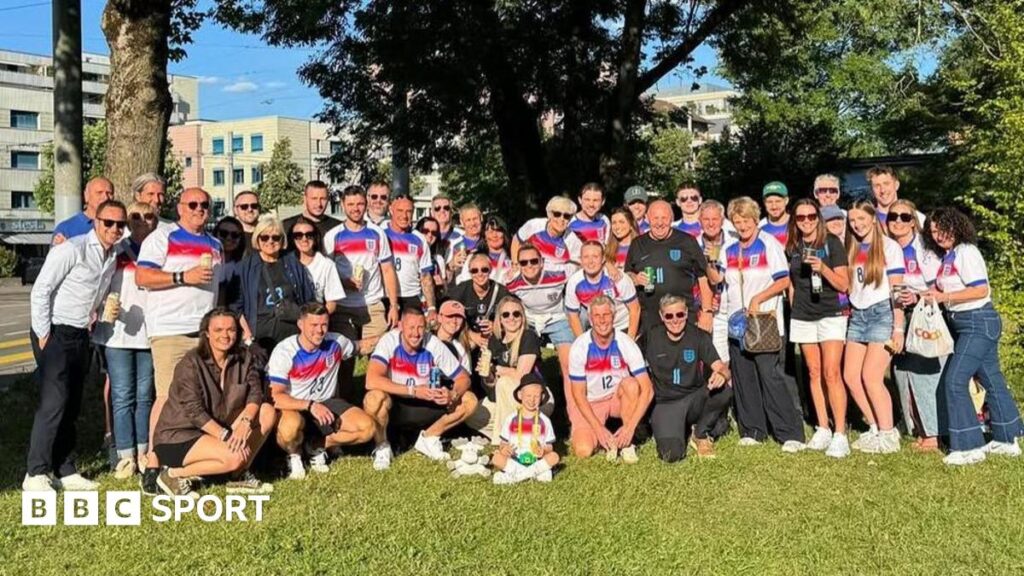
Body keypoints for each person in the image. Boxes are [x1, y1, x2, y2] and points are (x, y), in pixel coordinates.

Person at [23, 200, 125, 492]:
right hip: (56, 331)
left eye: (120, 224)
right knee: (53, 403)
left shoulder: (113, 255)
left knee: (72, 404)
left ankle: (65, 469)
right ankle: (36, 472)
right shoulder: (73, 248)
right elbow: (42, 290)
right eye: (109, 222)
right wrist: (44, 333)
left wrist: (102, 311)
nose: (114, 229)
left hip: (82, 333)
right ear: (95, 221)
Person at [135, 187, 223, 494]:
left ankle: (187, 459)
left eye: (205, 205)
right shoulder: (162, 237)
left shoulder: (215, 244)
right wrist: (182, 277)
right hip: (171, 330)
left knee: (200, 400)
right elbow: (142, 278)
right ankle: (152, 465)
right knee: (165, 397)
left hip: (203, 333)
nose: (200, 209)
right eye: (193, 204)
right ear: (180, 207)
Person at [922, 207, 1023, 466]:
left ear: (955, 226)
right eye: (933, 231)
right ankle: (1007, 437)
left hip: (978, 321)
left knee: (955, 380)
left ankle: (968, 445)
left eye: (942, 228)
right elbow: (947, 286)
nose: (938, 235)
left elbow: (980, 290)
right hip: (966, 323)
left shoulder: (966, 252)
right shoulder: (949, 256)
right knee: (992, 379)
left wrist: (945, 297)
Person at [150, 308, 276, 497]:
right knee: (234, 455)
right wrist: (227, 437)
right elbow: (194, 412)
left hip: (219, 427)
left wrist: (245, 422)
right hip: (181, 434)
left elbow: (255, 394)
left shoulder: (244, 359)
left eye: (231, 330)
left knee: (267, 411)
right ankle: (172, 475)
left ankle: (237, 475)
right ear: (207, 333)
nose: (225, 335)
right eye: (218, 330)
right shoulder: (190, 363)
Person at [719, 196, 805, 452]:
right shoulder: (729, 249)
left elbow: (782, 281)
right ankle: (753, 430)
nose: (742, 225)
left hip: (763, 322)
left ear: (755, 220)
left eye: (746, 220)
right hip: (737, 323)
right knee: (744, 377)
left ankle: (790, 433)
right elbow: (723, 280)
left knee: (770, 377)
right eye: (737, 221)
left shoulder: (769, 244)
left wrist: (759, 298)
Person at [268, 304, 375, 479]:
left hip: (327, 402)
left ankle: (317, 445)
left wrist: (393, 335)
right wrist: (309, 405)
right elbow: (275, 396)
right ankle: (294, 455)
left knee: (367, 429)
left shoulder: (335, 342)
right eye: (314, 325)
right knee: (289, 429)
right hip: (295, 405)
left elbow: (361, 346)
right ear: (300, 325)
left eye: (324, 325)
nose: (320, 330)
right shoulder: (285, 351)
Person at [362, 307, 477, 469]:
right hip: (396, 404)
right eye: (411, 328)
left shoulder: (433, 343)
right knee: (373, 398)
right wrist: (414, 390)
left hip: (426, 402)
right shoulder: (389, 341)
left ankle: (429, 438)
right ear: (400, 326)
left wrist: (453, 394)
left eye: (420, 328)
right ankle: (382, 446)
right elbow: (371, 380)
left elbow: (463, 378)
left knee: (470, 400)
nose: (416, 333)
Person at [93, 201, 158, 479]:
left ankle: (143, 453)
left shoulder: (159, 250)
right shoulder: (116, 250)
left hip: (149, 333)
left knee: (145, 397)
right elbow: (98, 286)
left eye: (149, 216)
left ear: (156, 220)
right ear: (128, 221)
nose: (143, 220)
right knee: (122, 397)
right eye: (135, 216)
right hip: (117, 335)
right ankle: (124, 456)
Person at [785, 199, 851, 457]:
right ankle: (823, 427)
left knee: (831, 372)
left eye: (811, 216)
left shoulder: (832, 243)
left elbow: (844, 284)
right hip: (803, 314)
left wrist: (822, 268)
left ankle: (840, 433)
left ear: (818, 218)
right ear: (795, 221)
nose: (806, 222)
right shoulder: (793, 246)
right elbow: (791, 283)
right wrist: (794, 307)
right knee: (813, 372)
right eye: (800, 218)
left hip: (830, 313)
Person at [323, 185, 401, 401]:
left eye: (359, 204)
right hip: (343, 307)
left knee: (380, 358)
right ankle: (345, 406)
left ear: (365, 204)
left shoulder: (377, 234)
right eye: (350, 204)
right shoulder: (333, 236)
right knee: (344, 361)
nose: (355, 208)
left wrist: (393, 305)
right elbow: (326, 274)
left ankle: (376, 404)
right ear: (343, 205)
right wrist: (345, 283)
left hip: (373, 304)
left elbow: (387, 269)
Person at [843, 200, 906, 454]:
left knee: (871, 376)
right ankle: (875, 427)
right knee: (850, 376)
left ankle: (889, 434)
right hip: (858, 315)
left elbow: (898, 289)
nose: (856, 224)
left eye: (861, 219)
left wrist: (898, 327)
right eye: (852, 221)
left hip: (882, 314)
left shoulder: (889, 247)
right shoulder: (852, 246)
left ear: (872, 218)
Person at [886, 199, 943, 453]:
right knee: (902, 374)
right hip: (895, 313)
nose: (898, 221)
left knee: (924, 374)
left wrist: (917, 295)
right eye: (893, 217)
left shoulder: (923, 248)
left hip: (923, 314)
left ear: (913, 222)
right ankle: (916, 427)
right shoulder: (886, 247)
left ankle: (933, 433)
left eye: (904, 217)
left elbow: (941, 284)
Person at [645, 295, 731, 462]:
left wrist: (721, 374)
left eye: (680, 314)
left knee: (724, 391)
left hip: (694, 398)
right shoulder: (651, 337)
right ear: (662, 316)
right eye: (669, 316)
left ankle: (700, 433)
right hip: (666, 403)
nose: (675, 320)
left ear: (686, 313)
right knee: (671, 455)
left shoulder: (698, 335)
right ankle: (677, 428)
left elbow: (721, 367)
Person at [568, 295, 653, 462]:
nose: (602, 320)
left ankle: (628, 441)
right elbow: (578, 394)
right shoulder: (580, 346)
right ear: (590, 320)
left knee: (631, 384)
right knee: (583, 450)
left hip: (616, 398)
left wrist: (630, 427)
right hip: (592, 401)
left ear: (613, 317)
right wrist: (598, 428)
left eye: (606, 315)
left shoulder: (625, 342)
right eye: (597, 316)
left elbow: (648, 389)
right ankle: (603, 436)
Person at [468, 296, 554, 442]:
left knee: (505, 382)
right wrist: (488, 374)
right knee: (473, 414)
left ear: (522, 317)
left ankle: (503, 444)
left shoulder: (528, 336)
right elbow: (492, 391)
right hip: (506, 400)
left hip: (536, 399)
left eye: (516, 314)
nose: (511, 318)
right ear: (499, 319)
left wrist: (497, 369)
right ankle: (522, 435)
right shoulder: (493, 342)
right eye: (506, 314)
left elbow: (522, 376)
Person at [506, 243, 574, 420]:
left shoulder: (559, 273)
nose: (529, 266)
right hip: (529, 320)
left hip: (557, 317)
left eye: (533, 261)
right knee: (522, 362)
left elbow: (583, 267)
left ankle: (573, 413)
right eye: (524, 262)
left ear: (542, 262)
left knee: (568, 366)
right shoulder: (512, 282)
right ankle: (526, 409)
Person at [625, 200, 712, 333]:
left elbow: (703, 277)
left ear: (671, 219)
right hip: (650, 320)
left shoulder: (687, 241)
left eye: (664, 218)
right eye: (655, 218)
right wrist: (636, 278)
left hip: (682, 318)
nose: (660, 223)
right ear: (647, 219)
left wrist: (707, 311)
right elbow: (627, 275)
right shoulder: (637, 244)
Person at [234, 216, 316, 353]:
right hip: (259, 339)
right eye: (265, 237)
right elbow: (237, 306)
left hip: (291, 336)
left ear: (282, 239)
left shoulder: (292, 263)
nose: (270, 241)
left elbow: (308, 299)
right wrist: (247, 335)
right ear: (257, 239)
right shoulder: (246, 267)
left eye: (275, 237)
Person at [491, 375, 559, 484]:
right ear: (520, 395)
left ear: (542, 397)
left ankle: (515, 477)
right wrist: (504, 449)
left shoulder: (545, 421)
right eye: (528, 395)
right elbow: (503, 443)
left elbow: (549, 446)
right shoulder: (511, 419)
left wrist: (544, 451)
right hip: (515, 460)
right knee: (496, 458)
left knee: (554, 457)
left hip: (536, 461)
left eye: (536, 396)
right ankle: (534, 475)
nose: (532, 400)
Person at [565, 241, 640, 339]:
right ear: (581, 260)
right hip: (597, 329)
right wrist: (582, 342)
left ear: (603, 259)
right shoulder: (574, 282)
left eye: (595, 257)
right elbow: (572, 316)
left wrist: (630, 341)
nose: (590, 261)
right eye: (586, 257)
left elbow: (635, 309)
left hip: (622, 326)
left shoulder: (618, 278)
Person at [384, 196, 437, 322]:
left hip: (411, 297)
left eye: (409, 211)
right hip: (386, 297)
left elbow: (425, 276)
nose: (404, 216)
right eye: (400, 211)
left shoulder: (419, 238)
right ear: (391, 210)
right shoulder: (381, 233)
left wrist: (431, 307)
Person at [447, 252, 511, 350]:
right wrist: (471, 334)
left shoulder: (502, 292)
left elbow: (513, 318)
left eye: (484, 270)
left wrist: (497, 326)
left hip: (495, 337)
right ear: (470, 273)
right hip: (467, 337)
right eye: (474, 271)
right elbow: (448, 317)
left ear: (490, 271)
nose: (480, 274)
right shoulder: (461, 290)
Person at [511, 195, 581, 275]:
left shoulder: (573, 240)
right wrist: (515, 264)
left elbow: (579, 263)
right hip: (527, 273)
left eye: (566, 216)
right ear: (549, 215)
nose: (561, 219)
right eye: (557, 214)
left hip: (553, 281)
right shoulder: (534, 225)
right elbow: (517, 239)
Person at [289, 216, 345, 315]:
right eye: (298, 235)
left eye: (309, 235)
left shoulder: (326, 265)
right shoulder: (286, 264)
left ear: (315, 237)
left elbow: (331, 303)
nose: (304, 239)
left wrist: (316, 320)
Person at [51, 176, 115, 245]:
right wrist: (68, 248)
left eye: (109, 193)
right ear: (86, 195)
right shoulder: (65, 229)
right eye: (99, 192)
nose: (105, 198)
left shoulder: (118, 227)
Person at [454, 215, 513, 285]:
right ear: (484, 236)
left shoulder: (513, 259)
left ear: (504, 234)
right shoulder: (473, 257)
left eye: (498, 231)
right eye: (490, 232)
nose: (494, 235)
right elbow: (464, 283)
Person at [214, 216, 246, 306]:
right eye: (224, 233)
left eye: (235, 235)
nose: (229, 238)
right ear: (216, 234)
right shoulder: (207, 262)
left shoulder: (245, 265)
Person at [447, 203, 484, 277]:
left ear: (481, 218)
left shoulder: (489, 241)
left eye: (475, 219)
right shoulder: (454, 244)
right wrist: (452, 264)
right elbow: (446, 276)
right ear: (462, 222)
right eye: (468, 220)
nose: (473, 223)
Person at [416, 216, 449, 293]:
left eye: (434, 233)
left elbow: (445, 289)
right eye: (425, 231)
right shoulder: (408, 256)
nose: (430, 235)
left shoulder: (438, 259)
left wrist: (441, 283)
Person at [605, 207, 639, 272]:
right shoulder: (608, 249)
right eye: (614, 223)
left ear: (631, 225)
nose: (617, 227)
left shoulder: (640, 247)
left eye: (621, 222)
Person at [759, 181, 790, 247]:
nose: (774, 206)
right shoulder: (759, 227)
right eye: (769, 202)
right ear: (764, 202)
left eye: (778, 201)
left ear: (786, 201)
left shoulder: (797, 222)